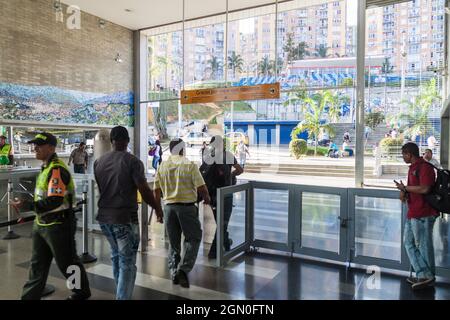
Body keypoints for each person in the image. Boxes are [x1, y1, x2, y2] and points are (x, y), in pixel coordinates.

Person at [11, 132, 91, 300]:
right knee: (37, 264)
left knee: (67, 263)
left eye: (39, 145)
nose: (35, 148)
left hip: (59, 225)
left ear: (51, 148)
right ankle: (30, 296)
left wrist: (27, 205)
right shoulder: (45, 167)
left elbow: (54, 200)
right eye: (35, 145)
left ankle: (81, 292)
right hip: (41, 224)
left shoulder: (57, 169)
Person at [94, 126, 163, 300]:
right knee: (127, 262)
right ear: (128, 141)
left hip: (104, 218)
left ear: (112, 141)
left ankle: (120, 292)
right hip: (124, 218)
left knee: (117, 256)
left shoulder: (98, 162)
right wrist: (157, 207)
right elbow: (145, 190)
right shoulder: (133, 162)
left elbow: (102, 189)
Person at [153, 138, 210, 288]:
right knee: (193, 238)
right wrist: (207, 199)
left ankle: (173, 272)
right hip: (187, 208)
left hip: (169, 208)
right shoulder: (189, 165)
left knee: (173, 242)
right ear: (183, 149)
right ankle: (183, 270)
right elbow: (202, 188)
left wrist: (158, 211)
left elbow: (156, 190)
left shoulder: (162, 166)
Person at [395, 142, 439, 290]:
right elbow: (415, 189)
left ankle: (427, 277)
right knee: (408, 242)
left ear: (410, 154)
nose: (403, 157)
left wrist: (405, 188)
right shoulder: (413, 168)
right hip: (413, 211)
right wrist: (405, 192)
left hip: (424, 213)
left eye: (404, 154)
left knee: (424, 246)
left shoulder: (425, 167)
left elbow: (426, 188)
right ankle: (424, 274)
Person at [201, 135, 243, 259]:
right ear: (222, 144)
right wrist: (231, 175)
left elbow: (200, 173)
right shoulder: (228, 155)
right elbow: (240, 170)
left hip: (212, 195)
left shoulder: (208, 157)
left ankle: (226, 242)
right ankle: (214, 252)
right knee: (222, 224)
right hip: (226, 194)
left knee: (220, 222)